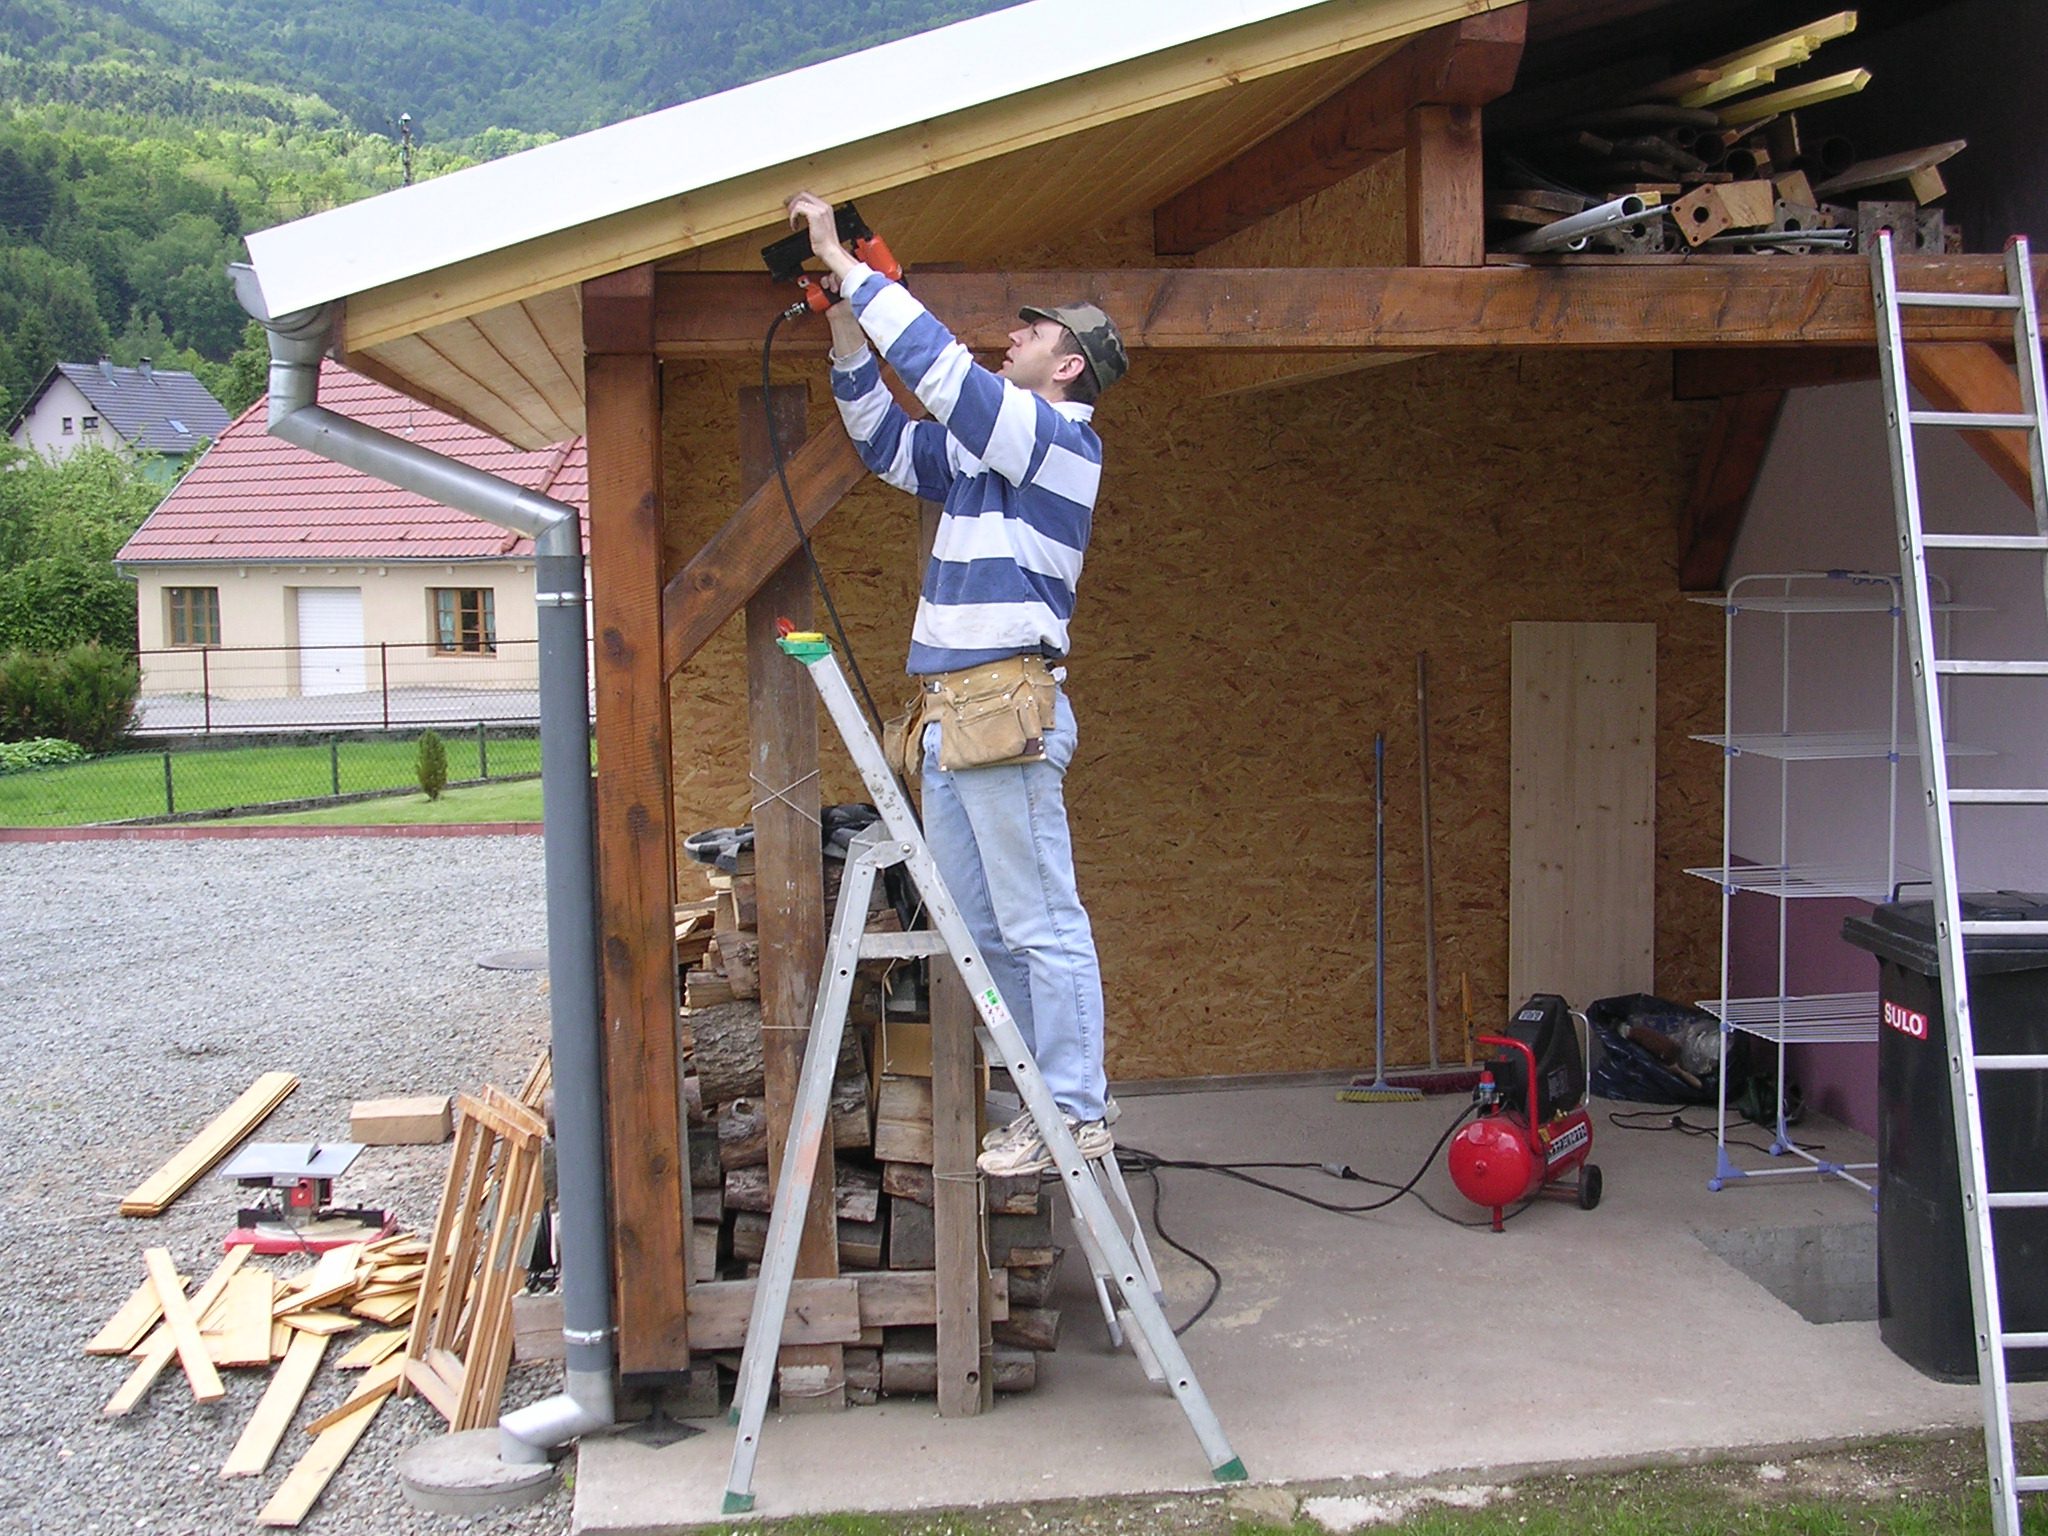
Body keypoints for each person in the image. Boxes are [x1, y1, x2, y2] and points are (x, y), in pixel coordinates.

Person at [784, 190, 1128, 1178]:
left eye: (1032, 331)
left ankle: (1073, 1106)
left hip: (997, 710)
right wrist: (848, 318)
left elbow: (942, 377)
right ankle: (1040, 1104)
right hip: (953, 717)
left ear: (1066, 366)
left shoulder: (1054, 439)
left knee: (1039, 923)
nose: (1010, 334)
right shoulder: (991, 459)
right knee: (983, 934)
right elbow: (884, 441)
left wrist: (855, 271)